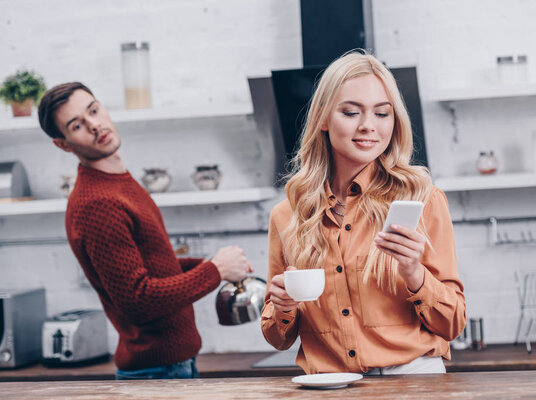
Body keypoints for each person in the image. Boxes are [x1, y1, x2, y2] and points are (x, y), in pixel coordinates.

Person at [261, 51, 466, 375]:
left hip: (413, 384)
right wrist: (283, 308)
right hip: (329, 387)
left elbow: (453, 324)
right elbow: (278, 338)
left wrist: (414, 273)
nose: (368, 126)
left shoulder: (422, 200)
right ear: (324, 119)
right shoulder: (288, 215)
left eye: (382, 113)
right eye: (351, 112)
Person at [38, 82, 253, 379]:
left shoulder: (119, 183)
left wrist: (207, 266)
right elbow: (138, 299)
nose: (95, 125)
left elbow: (150, 269)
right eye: (77, 125)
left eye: (94, 110)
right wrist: (214, 271)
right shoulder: (97, 203)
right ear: (63, 143)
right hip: (157, 372)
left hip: (171, 367)